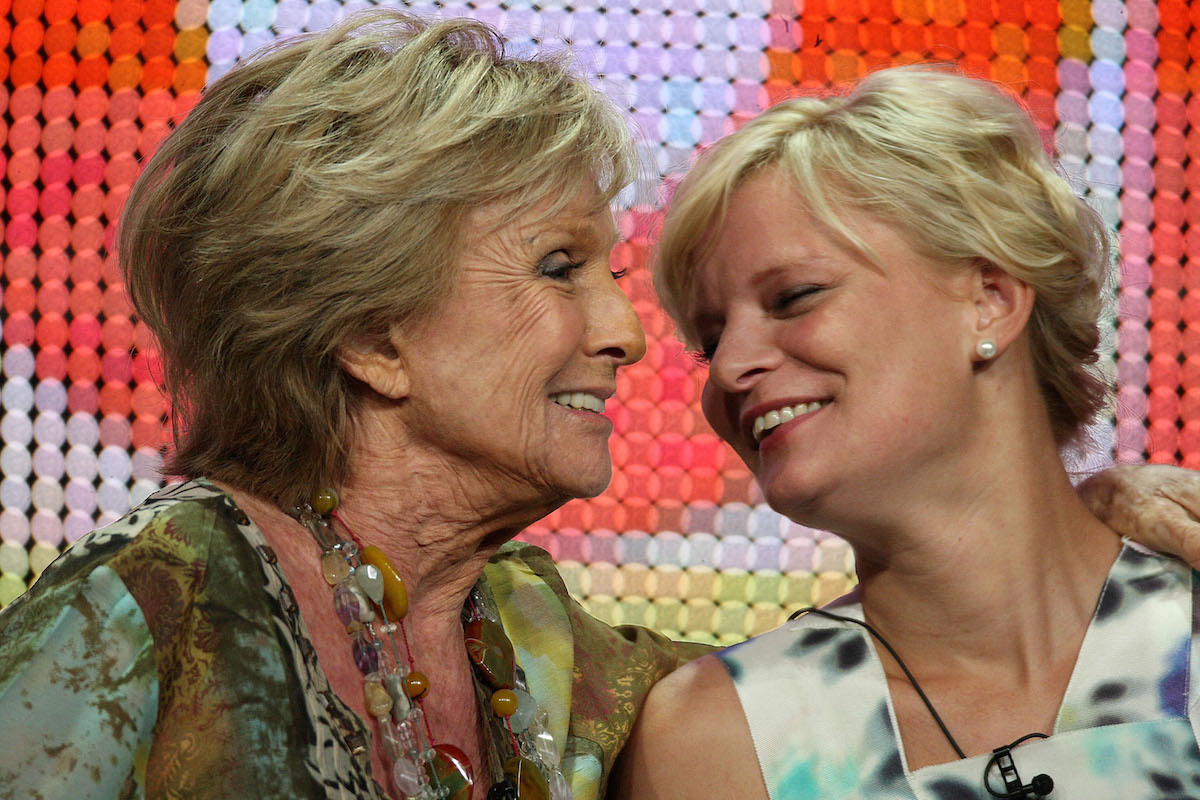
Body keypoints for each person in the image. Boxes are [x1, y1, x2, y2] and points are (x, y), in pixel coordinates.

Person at [0, 15, 1192, 800]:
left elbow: (923, 658)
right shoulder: (145, 608)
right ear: (373, 334)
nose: (631, 336)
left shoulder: (541, 639)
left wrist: (1098, 514)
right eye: (561, 266)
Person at [614, 66, 1200, 799]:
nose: (729, 367)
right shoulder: (716, 741)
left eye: (794, 297)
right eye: (710, 339)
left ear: (989, 300)